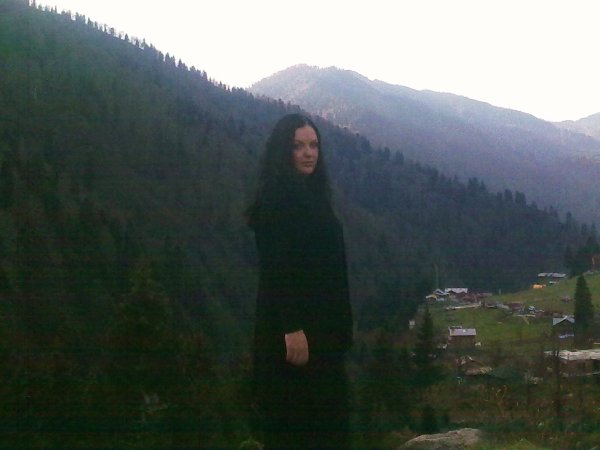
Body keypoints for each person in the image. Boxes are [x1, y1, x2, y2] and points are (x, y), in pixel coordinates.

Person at [246, 113, 354, 449]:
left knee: (327, 424)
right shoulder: (276, 200)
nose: (309, 153)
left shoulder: (313, 195)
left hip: (323, 331)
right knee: (298, 424)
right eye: (298, 146)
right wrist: (291, 328)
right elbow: (276, 269)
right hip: (296, 334)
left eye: (313, 145)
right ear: (283, 151)